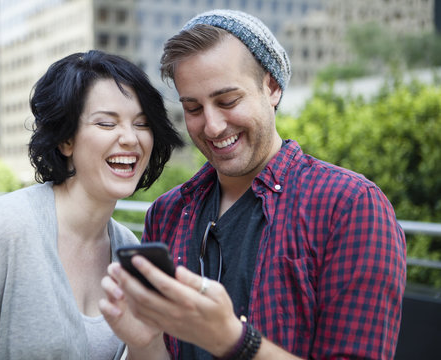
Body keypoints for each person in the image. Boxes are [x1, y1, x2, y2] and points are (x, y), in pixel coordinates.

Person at [99, 9, 406, 360]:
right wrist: (144, 341)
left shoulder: (350, 206)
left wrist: (233, 340)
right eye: (194, 108)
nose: (212, 127)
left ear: (271, 87)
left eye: (228, 101)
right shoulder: (167, 213)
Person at [0, 50, 183, 359]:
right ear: (66, 140)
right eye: (106, 123)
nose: (130, 138)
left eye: (142, 124)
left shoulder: (128, 248)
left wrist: (147, 341)